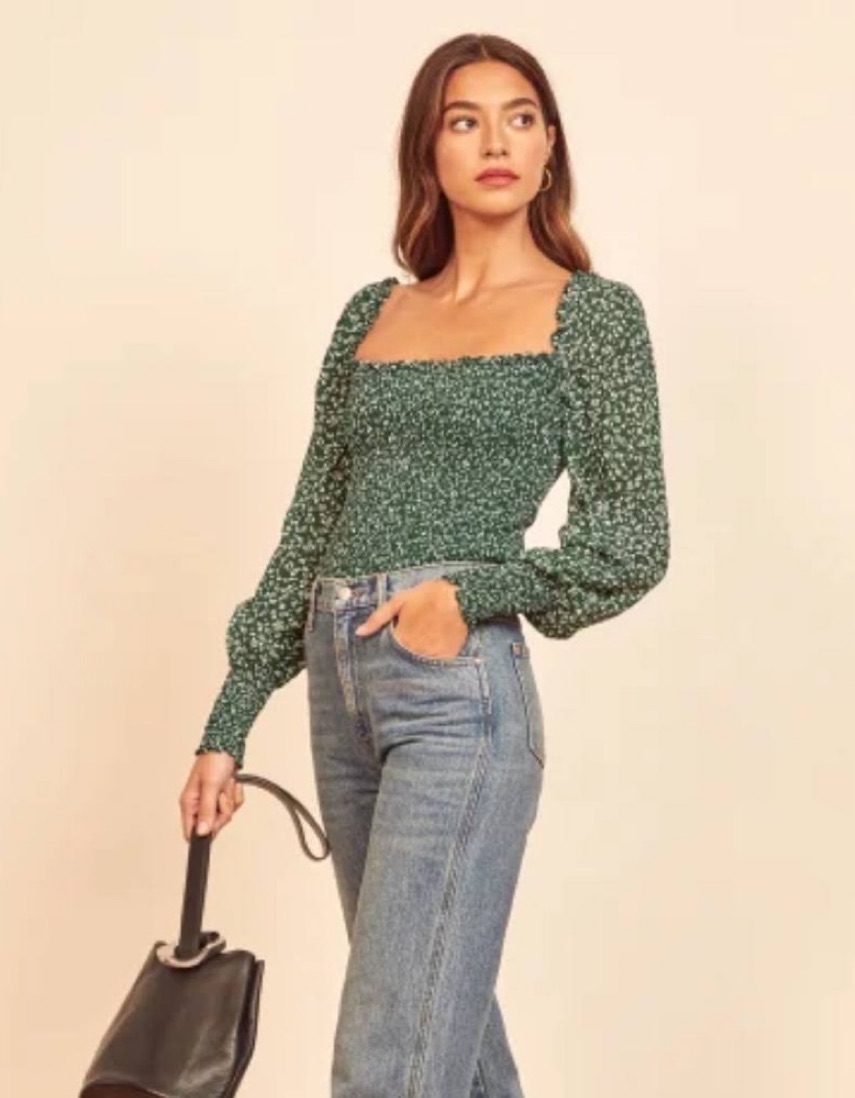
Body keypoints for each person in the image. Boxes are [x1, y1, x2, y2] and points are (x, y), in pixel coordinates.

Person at [178, 31, 670, 1098]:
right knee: (444, 1033)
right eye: (464, 120)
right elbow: (312, 520)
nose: (495, 142)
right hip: (339, 688)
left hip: (458, 694)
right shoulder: (373, 314)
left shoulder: (592, 317)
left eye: (520, 118)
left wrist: (472, 593)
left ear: (549, 148)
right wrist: (229, 719)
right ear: (427, 151)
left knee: (389, 1061)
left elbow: (632, 539)